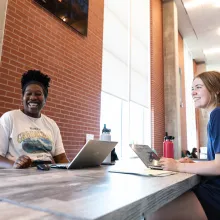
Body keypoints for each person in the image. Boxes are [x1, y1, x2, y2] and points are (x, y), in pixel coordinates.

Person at [149, 71, 220, 220]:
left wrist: (177, 166)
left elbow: (218, 167)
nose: (193, 92)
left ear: (216, 89)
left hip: (217, 193)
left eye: (199, 87)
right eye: (192, 88)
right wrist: (193, 163)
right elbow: (215, 162)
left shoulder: (217, 115)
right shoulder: (214, 116)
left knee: (154, 213)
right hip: (214, 188)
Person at [0, 70, 69, 169]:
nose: (33, 97)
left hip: (47, 175)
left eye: (38, 94)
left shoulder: (51, 124)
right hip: (19, 176)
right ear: (23, 97)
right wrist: (14, 165)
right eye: (28, 94)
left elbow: (61, 158)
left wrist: (74, 168)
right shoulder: (9, 118)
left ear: (45, 99)